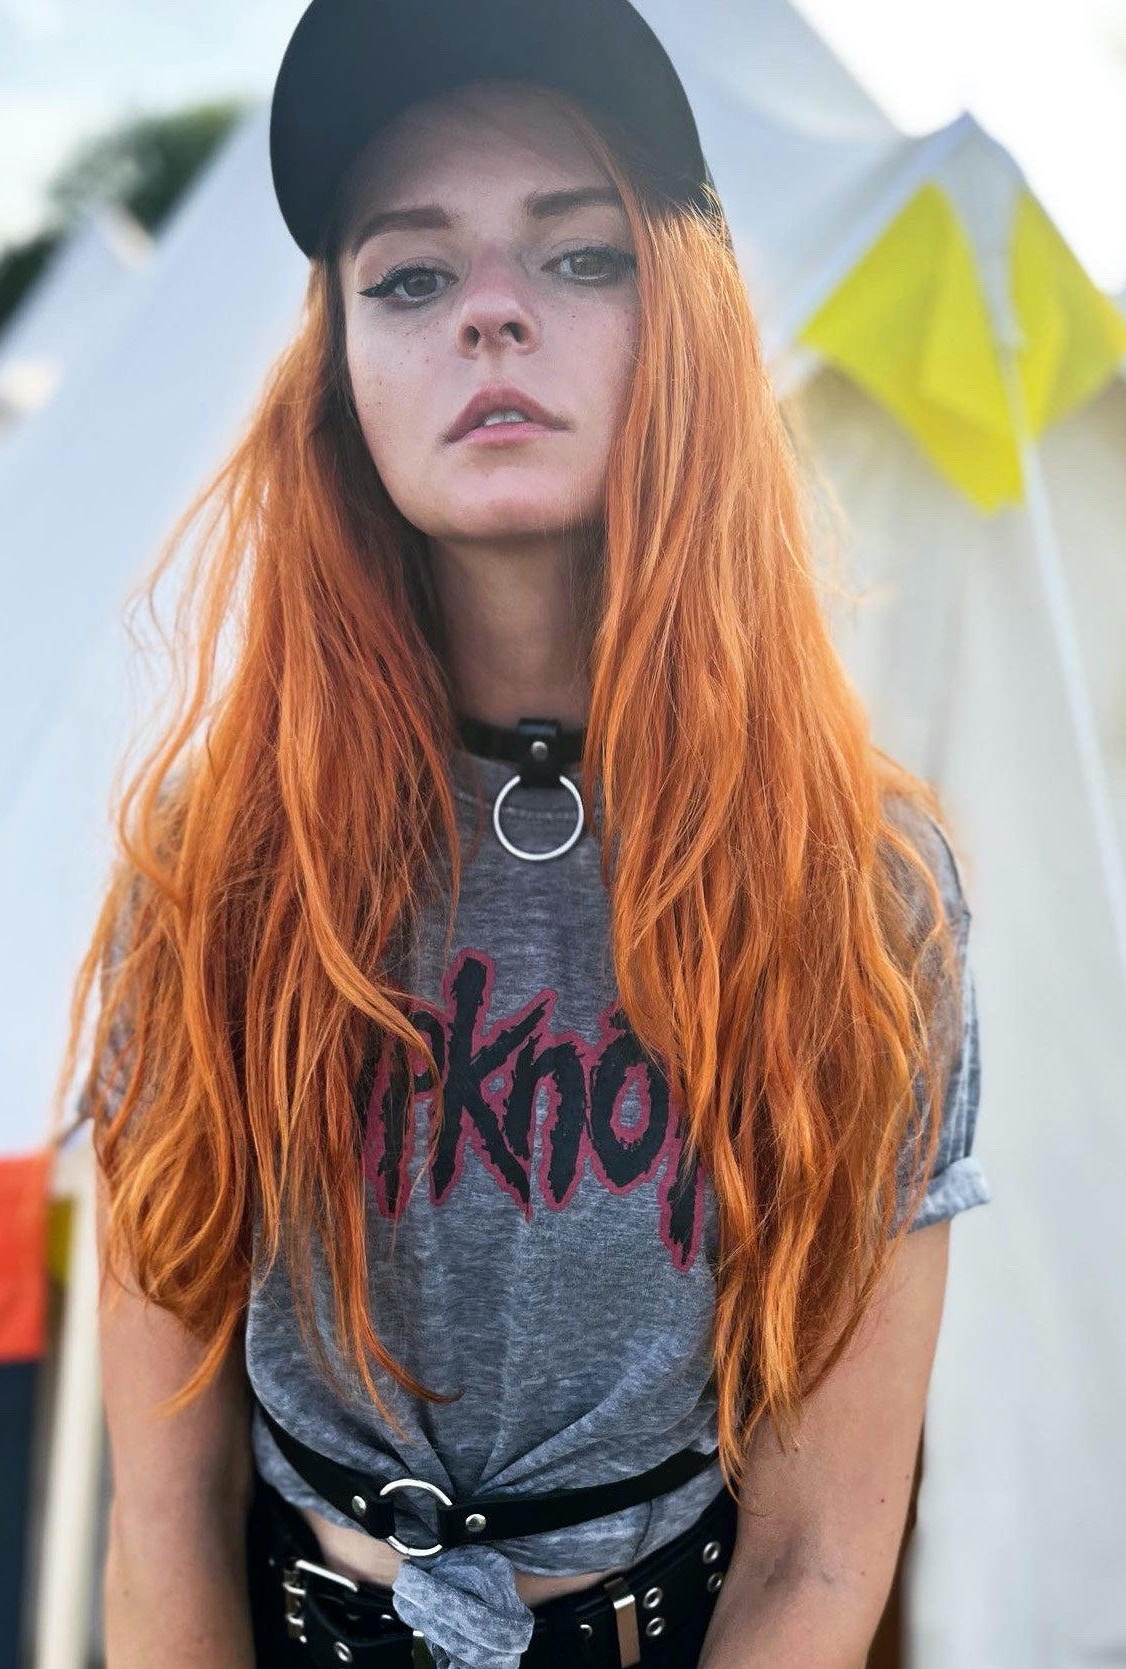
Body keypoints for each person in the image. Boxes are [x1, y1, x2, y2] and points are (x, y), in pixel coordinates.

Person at [57, 1, 992, 1666]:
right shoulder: (219, 860)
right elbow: (162, 1521)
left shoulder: (855, 887)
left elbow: (818, 1557)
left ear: (682, 320)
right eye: (411, 276)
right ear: (338, 372)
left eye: (577, 256)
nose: (491, 310)